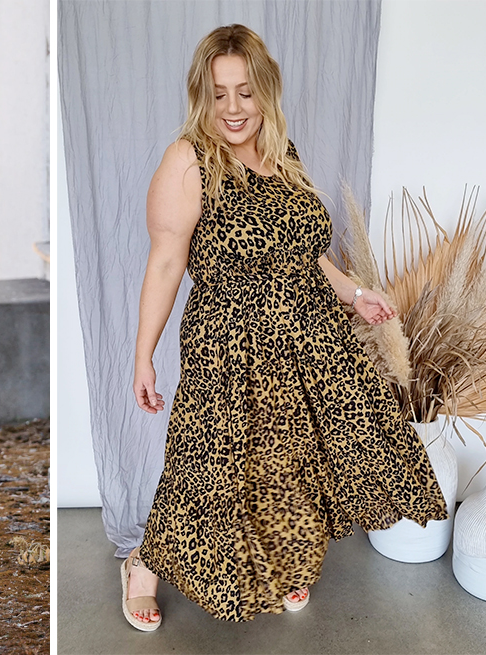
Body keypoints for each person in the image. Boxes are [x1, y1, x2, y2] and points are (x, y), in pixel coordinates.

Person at [123, 24, 447, 629]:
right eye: (219, 94)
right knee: (210, 464)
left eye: (244, 92)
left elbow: (307, 253)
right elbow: (166, 261)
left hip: (309, 334)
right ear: (202, 95)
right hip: (231, 340)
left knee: (292, 460)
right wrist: (143, 356)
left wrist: (357, 293)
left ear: (264, 90)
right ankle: (143, 563)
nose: (233, 108)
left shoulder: (282, 153)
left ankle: (286, 560)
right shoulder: (188, 159)